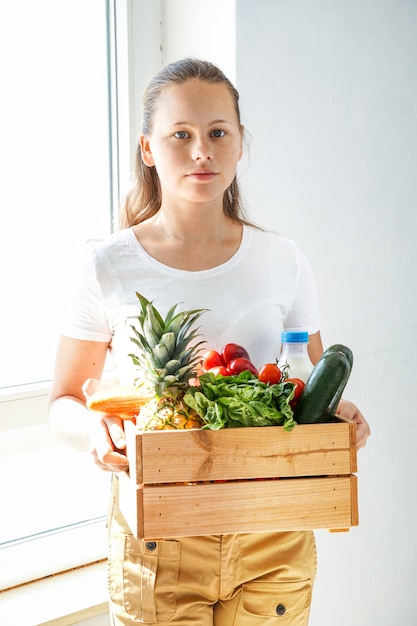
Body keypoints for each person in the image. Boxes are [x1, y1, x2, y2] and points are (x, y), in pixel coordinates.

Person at [49, 58, 370, 625]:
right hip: (158, 537)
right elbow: (63, 403)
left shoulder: (283, 260)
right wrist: (95, 434)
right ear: (149, 149)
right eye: (181, 135)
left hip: (272, 524)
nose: (203, 151)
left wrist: (342, 418)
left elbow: (309, 384)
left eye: (219, 132)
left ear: (241, 142)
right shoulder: (107, 264)